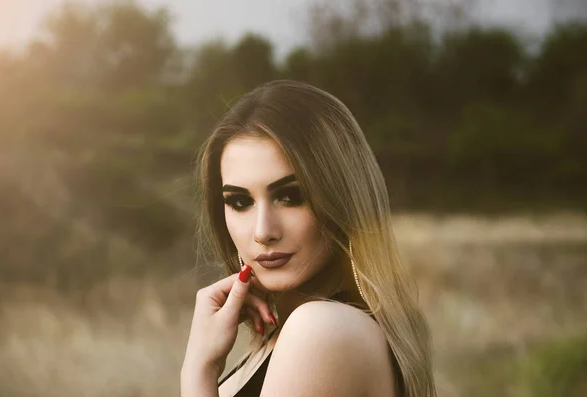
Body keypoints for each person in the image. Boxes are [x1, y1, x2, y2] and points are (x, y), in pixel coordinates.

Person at [180, 80, 436, 397]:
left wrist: (198, 372)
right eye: (240, 202)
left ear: (342, 198)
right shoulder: (291, 335)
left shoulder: (321, 330)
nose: (263, 231)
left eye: (290, 196)